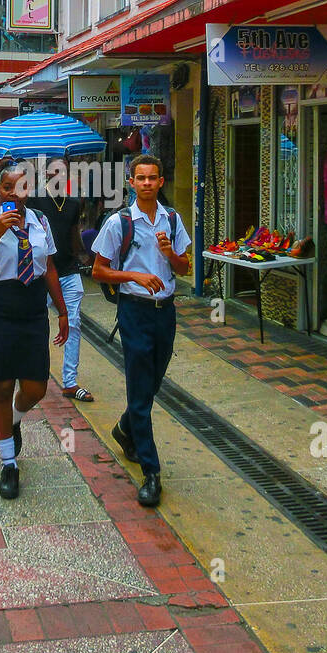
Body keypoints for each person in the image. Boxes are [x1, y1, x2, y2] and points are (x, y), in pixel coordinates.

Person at [91, 154, 191, 507]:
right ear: (131, 182)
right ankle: (151, 473)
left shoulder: (173, 219)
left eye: (153, 178)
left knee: (151, 386)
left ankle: (124, 429)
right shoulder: (119, 222)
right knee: (139, 391)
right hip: (133, 311)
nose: (147, 183)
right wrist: (134, 275)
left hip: (165, 313)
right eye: (140, 178)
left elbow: (185, 267)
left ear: (161, 182)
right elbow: (99, 270)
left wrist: (169, 254)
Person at [0, 163, 70, 500]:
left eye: (20, 187)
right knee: (2, 385)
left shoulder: (40, 221)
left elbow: (50, 266)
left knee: (36, 387)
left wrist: (63, 310)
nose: (13, 193)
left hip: (32, 307)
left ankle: (13, 419)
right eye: (7, 187)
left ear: (29, 190)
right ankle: (8, 462)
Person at [28, 157, 94, 403]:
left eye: (62, 172)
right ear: (46, 174)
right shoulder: (34, 201)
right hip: (41, 272)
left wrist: (84, 255)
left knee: (74, 323)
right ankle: (33, 375)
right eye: (53, 172)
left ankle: (70, 382)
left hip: (68, 269)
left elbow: (73, 232)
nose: (57, 176)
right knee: (37, 323)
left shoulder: (75, 202)